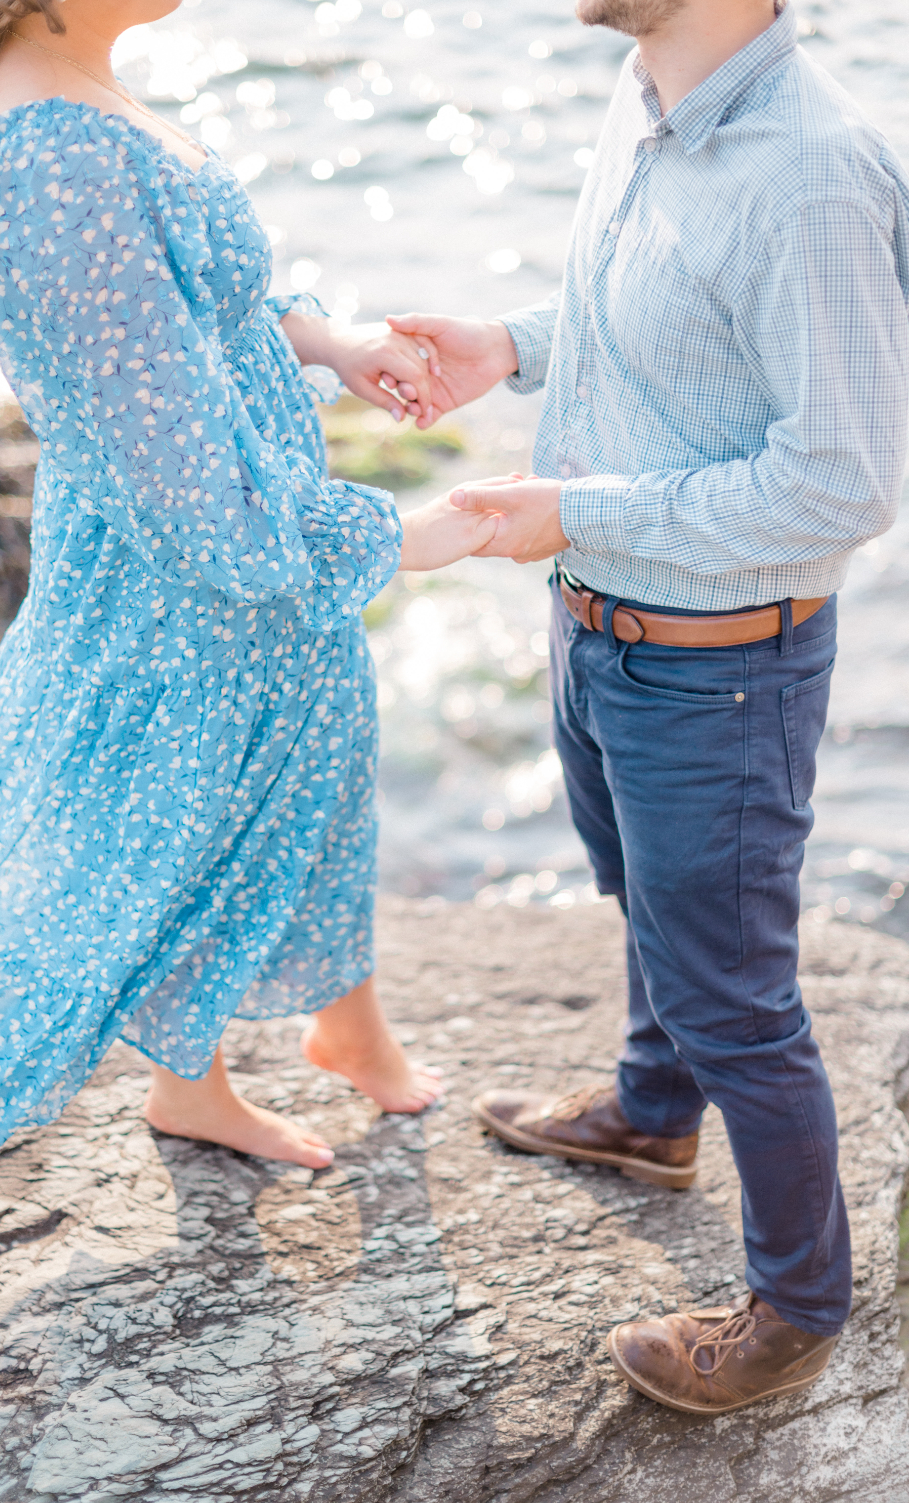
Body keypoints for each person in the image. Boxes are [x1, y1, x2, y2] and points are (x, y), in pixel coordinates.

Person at [391, 0, 909, 1415]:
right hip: (600, 625)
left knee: (737, 996)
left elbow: (842, 480)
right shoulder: (649, 98)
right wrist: (513, 342)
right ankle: (650, 1109)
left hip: (720, 664)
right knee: (645, 899)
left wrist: (572, 505)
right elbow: (659, 331)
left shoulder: (813, 174)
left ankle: (799, 1306)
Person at [0, 0, 501, 1186]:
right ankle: (194, 1086)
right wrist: (412, 533)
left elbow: (197, 311)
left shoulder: (83, 90)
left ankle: (343, 1024)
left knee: (316, 747)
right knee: (170, 817)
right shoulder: (58, 151)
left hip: (235, 527)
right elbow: (183, 490)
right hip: (189, 566)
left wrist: (329, 343)